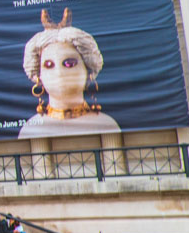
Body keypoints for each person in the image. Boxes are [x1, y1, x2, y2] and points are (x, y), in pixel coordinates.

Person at [18, 8, 120, 139]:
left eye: (70, 64)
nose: (59, 73)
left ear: (88, 70)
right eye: (49, 65)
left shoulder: (106, 125)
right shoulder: (32, 129)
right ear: (39, 76)